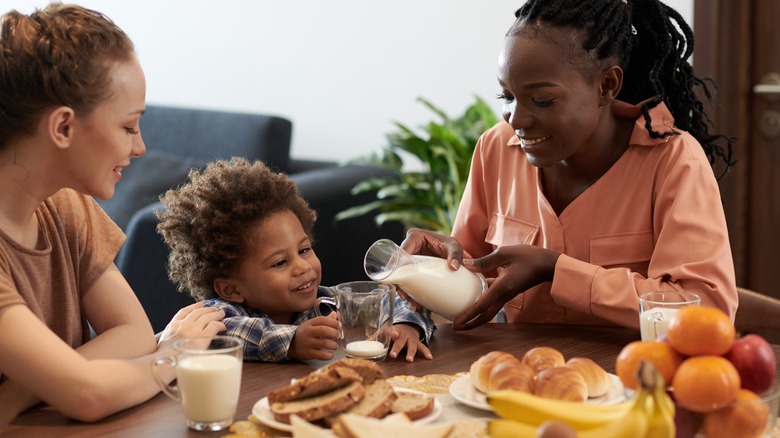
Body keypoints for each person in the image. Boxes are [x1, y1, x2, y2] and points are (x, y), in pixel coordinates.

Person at [401, 0, 738, 331]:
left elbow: (705, 311)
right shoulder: (496, 149)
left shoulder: (673, 161)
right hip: (520, 379)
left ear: (607, 85)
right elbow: (471, 278)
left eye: (542, 100)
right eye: (507, 97)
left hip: (635, 379)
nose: (515, 119)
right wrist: (426, 273)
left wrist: (556, 270)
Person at [0, 4, 225, 427]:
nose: (140, 147)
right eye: (128, 126)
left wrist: (20, 390)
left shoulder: (66, 203)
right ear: (63, 127)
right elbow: (88, 394)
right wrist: (176, 353)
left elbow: (135, 334)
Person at [157, 157, 435, 363]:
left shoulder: (326, 303)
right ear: (231, 289)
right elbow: (230, 334)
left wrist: (406, 325)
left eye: (304, 250)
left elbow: (402, 301)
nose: (303, 267)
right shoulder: (216, 316)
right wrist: (292, 341)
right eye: (280, 263)